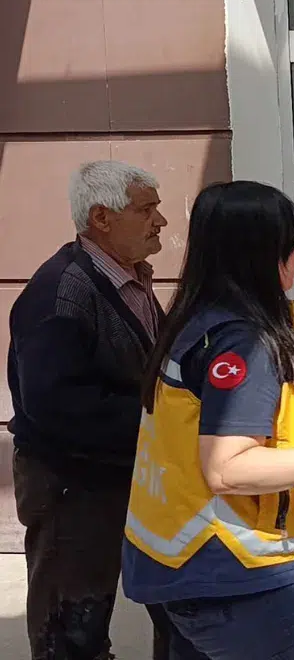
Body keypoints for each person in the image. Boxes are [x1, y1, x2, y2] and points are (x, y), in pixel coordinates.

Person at [120, 181, 294, 659]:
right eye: (292, 245)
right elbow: (228, 467)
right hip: (237, 577)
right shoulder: (243, 343)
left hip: (190, 569)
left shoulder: (198, 321)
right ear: (269, 256)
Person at [7, 160, 173, 659]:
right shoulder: (61, 293)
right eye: (146, 210)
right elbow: (56, 406)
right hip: (73, 486)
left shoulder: (129, 277)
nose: (161, 221)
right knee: (72, 630)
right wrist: (164, 423)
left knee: (178, 607)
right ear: (101, 217)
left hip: (130, 472)